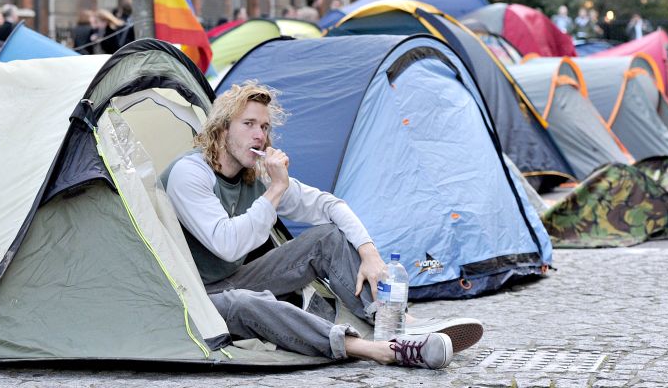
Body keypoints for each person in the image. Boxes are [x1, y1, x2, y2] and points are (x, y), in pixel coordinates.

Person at [165, 82, 484, 369]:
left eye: (264, 126)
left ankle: (396, 323)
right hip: (190, 295)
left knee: (327, 237)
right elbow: (227, 244)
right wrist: (276, 190)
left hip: (234, 278)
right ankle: (374, 349)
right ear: (222, 130)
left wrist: (369, 252)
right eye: (248, 124)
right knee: (245, 303)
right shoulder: (190, 174)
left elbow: (329, 206)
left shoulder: (255, 175)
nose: (260, 135)